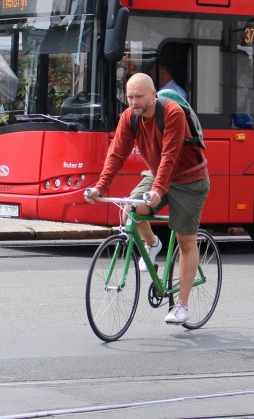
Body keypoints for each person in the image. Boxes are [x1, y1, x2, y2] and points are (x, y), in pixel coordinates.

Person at [85, 74, 210, 325]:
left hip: (188, 179)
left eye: (139, 96)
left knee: (186, 240)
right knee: (130, 210)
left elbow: (170, 156)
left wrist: (158, 190)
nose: (134, 102)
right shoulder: (129, 117)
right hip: (157, 174)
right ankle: (152, 244)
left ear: (154, 94)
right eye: (130, 97)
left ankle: (182, 306)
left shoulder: (172, 113)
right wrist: (100, 186)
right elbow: (116, 153)